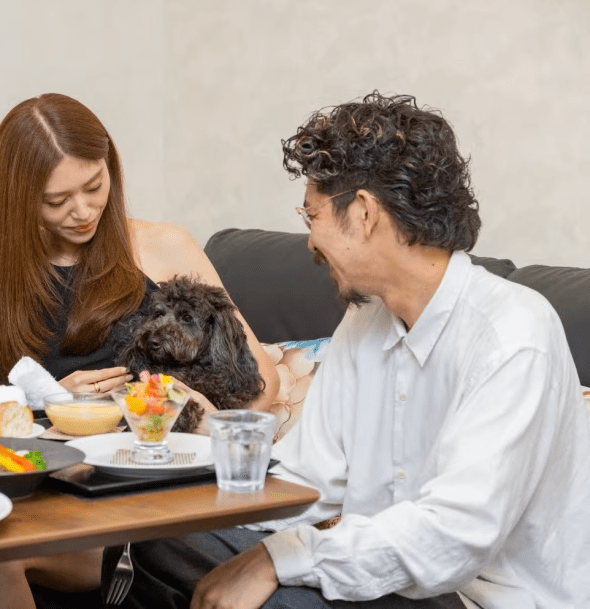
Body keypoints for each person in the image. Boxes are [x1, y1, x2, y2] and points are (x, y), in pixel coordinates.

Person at [105, 92, 590, 609]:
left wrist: (276, 561)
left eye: (311, 215)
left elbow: (452, 540)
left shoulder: (513, 335)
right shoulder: (365, 323)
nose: (310, 242)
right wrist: (174, 471)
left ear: (363, 213)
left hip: (476, 595)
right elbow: (305, 479)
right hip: (380, 576)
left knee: (262, 597)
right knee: (152, 541)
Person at [0, 92, 280, 609]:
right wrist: (52, 400)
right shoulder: (9, 277)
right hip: (53, 483)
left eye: (94, 186)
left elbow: (262, 379)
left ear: (112, 170)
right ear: (19, 201)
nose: (82, 212)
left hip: (138, 493)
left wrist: (186, 420)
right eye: (56, 201)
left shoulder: (161, 246)